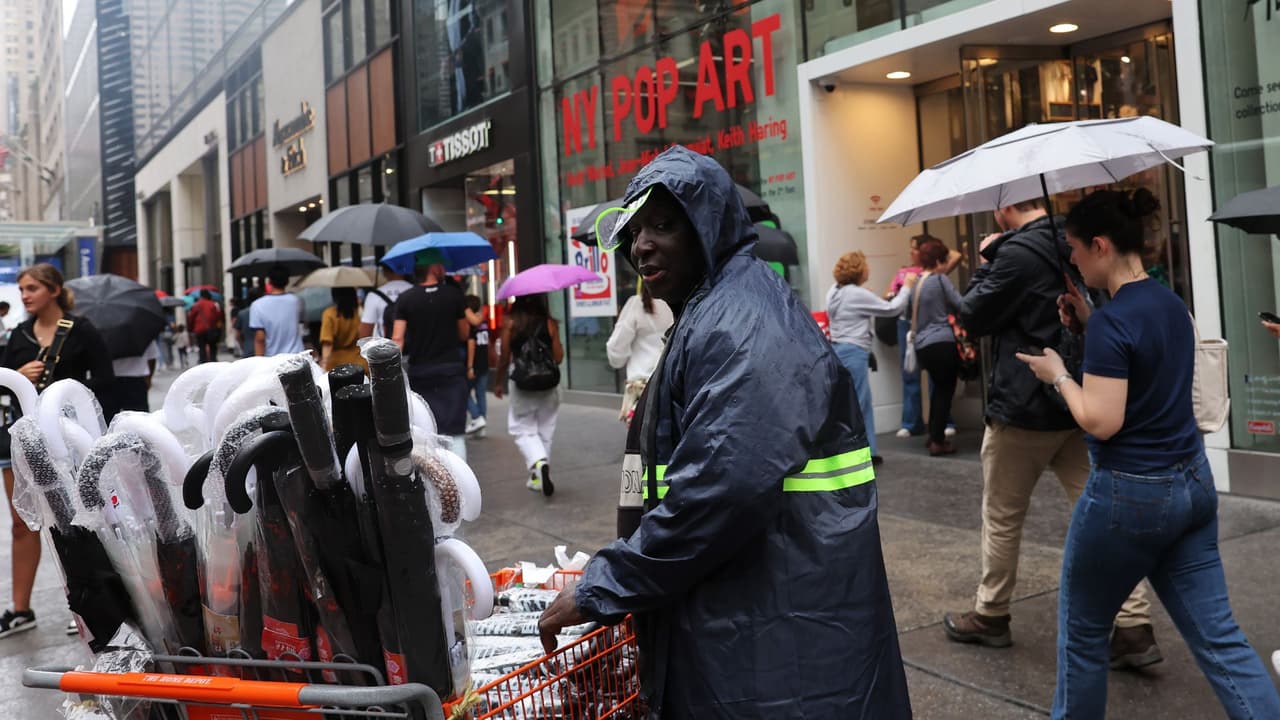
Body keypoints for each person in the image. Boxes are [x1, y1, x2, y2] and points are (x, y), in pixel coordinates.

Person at [536, 147, 910, 718]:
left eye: (663, 225)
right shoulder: (716, 312)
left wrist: (605, 584)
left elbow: (723, 486)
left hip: (775, 630)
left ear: (708, 228)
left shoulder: (741, 323)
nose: (641, 245)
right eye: (635, 230)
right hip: (755, 608)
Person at [1017, 189, 1280, 718]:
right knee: (1220, 638)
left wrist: (1059, 375)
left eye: (1074, 248)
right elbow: (1148, 353)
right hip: (1192, 485)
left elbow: (1101, 419)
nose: (1071, 259)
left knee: (1084, 634)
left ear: (1100, 245)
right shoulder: (1167, 302)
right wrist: (1090, 321)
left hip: (1128, 496)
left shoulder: (1115, 321)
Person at [944, 197, 1157, 666]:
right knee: (1102, 515)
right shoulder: (1075, 240)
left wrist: (989, 259)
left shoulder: (1015, 254)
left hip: (1025, 408)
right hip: (1082, 403)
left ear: (1006, 209)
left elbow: (972, 315)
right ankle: (1134, 624)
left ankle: (992, 614)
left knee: (1002, 516)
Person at [0, 263, 115, 638]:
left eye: (32, 287)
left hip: (71, 441)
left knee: (80, 519)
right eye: (21, 288)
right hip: (24, 442)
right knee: (22, 523)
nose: (24, 295)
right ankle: (20, 608)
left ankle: (87, 599)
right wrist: (20, 372)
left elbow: (104, 380)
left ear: (53, 289)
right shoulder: (19, 333)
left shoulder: (81, 330)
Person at [826, 250, 916, 465]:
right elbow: (891, 309)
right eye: (866, 266)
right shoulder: (856, 294)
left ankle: (847, 449)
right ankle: (867, 453)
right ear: (859, 270)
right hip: (855, 351)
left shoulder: (834, 291)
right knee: (861, 403)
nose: (869, 269)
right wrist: (907, 287)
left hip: (838, 350)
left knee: (846, 403)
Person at [391, 258, 469, 454]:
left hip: (421, 373)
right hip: (451, 371)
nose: (443, 268)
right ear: (433, 268)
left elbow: (397, 338)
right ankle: (459, 482)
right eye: (441, 265)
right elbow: (464, 334)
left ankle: (436, 480)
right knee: (455, 433)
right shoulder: (454, 295)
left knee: (428, 431)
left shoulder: (405, 299)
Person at [888, 234, 961, 439]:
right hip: (926, 332)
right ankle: (922, 427)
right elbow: (960, 303)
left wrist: (936, 249)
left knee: (936, 382)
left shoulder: (927, 277)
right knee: (924, 380)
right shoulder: (916, 274)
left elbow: (955, 255)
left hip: (921, 334)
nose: (912, 253)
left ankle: (939, 426)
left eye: (916, 249)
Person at [493, 293, 563, 495]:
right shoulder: (550, 323)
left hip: (523, 386)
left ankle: (539, 464)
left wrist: (498, 382)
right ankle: (538, 475)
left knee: (522, 429)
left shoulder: (511, 323)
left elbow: (505, 357)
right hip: (549, 385)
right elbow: (558, 358)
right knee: (545, 432)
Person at [912, 237, 965, 456]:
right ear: (939, 260)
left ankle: (933, 434)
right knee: (944, 391)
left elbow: (908, 312)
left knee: (937, 389)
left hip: (922, 344)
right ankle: (938, 441)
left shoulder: (917, 282)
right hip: (942, 341)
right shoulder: (940, 280)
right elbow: (960, 304)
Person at [605, 284, 673, 426]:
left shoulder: (636, 303)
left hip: (641, 389)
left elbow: (616, 351)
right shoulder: (683, 302)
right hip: (673, 386)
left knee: (641, 444)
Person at [249, 266, 305, 357]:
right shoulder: (297, 301)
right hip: (297, 356)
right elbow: (302, 325)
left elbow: (260, 338)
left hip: (273, 359)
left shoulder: (257, 305)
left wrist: (259, 361)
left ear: (269, 282)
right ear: (287, 281)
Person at [318, 287, 365, 372]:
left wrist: (324, 364)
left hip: (336, 366)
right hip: (360, 364)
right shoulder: (360, 312)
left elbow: (327, 343)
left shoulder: (329, 314)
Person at [360, 266, 413, 339]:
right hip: (415, 347)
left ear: (385, 271)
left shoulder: (374, 295)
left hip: (385, 347)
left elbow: (365, 332)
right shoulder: (417, 292)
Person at [463, 295, 490, 436]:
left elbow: (471, 344)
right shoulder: (483, 322)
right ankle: (481, 427)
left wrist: (470, 366)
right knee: (481, 394)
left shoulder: (470, 325)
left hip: (474, 363)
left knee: (463, 392)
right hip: (484, 363)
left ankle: (476, 417)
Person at [112, 340, 159, 414]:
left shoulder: (106, 333)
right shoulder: (142, 333)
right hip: (137, 379)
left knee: (112, 419)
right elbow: (152, 357)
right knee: (139, 417)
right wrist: (149, 378)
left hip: (113, 379)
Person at [188, 290, 223, 363]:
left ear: (200, 296)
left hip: (199, 329)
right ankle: (213, 360)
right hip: (211, 328)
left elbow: (191, 317)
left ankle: (203, 361)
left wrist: (190, 328)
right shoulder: (213, 304)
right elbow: (218, 316)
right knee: (213, 346)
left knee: (201, 347)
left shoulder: (196, 305)